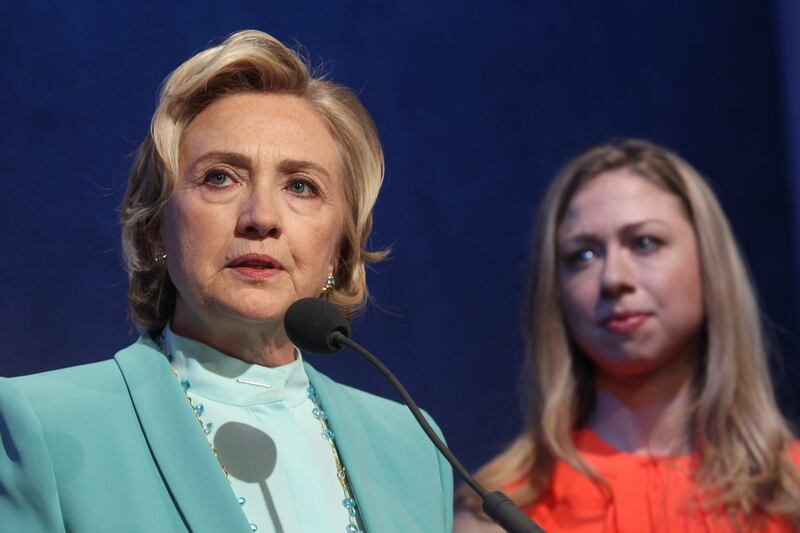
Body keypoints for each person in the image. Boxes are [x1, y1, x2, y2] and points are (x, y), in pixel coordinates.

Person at [0, 30, 452, 533]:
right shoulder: (43, 424)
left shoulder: (413, 446)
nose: (261, 218)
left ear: (341, 248)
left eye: (301, 186)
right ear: (155, 228)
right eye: (220, 177)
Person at [454, 139, 800, 532]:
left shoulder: (790, 494)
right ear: (555, 293)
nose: (614, 279)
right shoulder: (500, 512)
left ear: (710, 263)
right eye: (583, 255)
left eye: (644, 243)